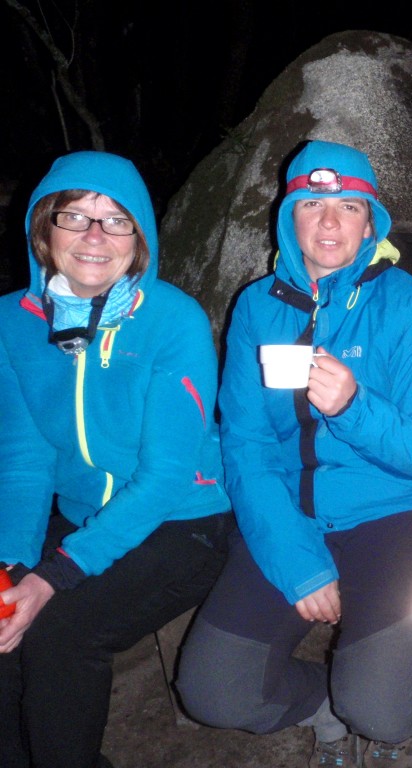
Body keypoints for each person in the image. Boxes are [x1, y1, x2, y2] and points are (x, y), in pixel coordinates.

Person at [175, 139, 412, 768]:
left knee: (384, 707)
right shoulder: (256, 307)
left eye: (348, 207)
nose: (329, 222)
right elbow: (245, 447)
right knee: (212, 692)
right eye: (312, 204)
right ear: (288, 216)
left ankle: (394, 702)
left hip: (398, 515)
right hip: (291, 514)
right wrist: (298, 562)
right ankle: (324, 706)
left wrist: (352, 405)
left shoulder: (409, 304)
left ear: (371, 222)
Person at [0, 150, 234, 768]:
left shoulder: (172, 322)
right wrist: (12, 568)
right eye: (76, 217)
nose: (96, 236)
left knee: (60, 635)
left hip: (186, 519)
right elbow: (24, 460)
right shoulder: (13, 323)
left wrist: (51, 577)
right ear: (44, 228)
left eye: (117, 220)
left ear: (141, 236)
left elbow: (164, 480)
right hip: (80, 514)